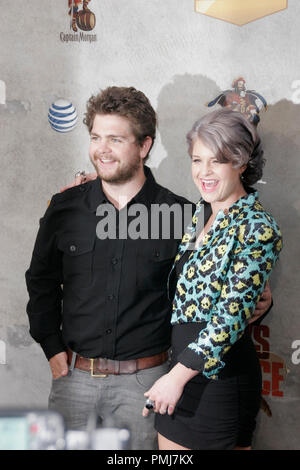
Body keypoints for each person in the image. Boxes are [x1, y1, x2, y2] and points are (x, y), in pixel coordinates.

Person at [25, 87, 272, 450]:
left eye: (115, 139)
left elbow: (220, 285)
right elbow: (41, 280)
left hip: (150, 381)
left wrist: (263, 302)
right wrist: (50, 345)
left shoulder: (188, 216)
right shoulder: (65, 208)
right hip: (74, 378)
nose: (102, 149)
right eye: (95, 137)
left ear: (144, 146)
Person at [142, 108, 282, 450]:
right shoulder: (201, 213)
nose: (203, 172)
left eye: (216, 161)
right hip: (181, 372)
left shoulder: (258, 227)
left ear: (241, 162)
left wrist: (174, 379)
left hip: (219, 382)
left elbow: (229, 318)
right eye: (196, 160)